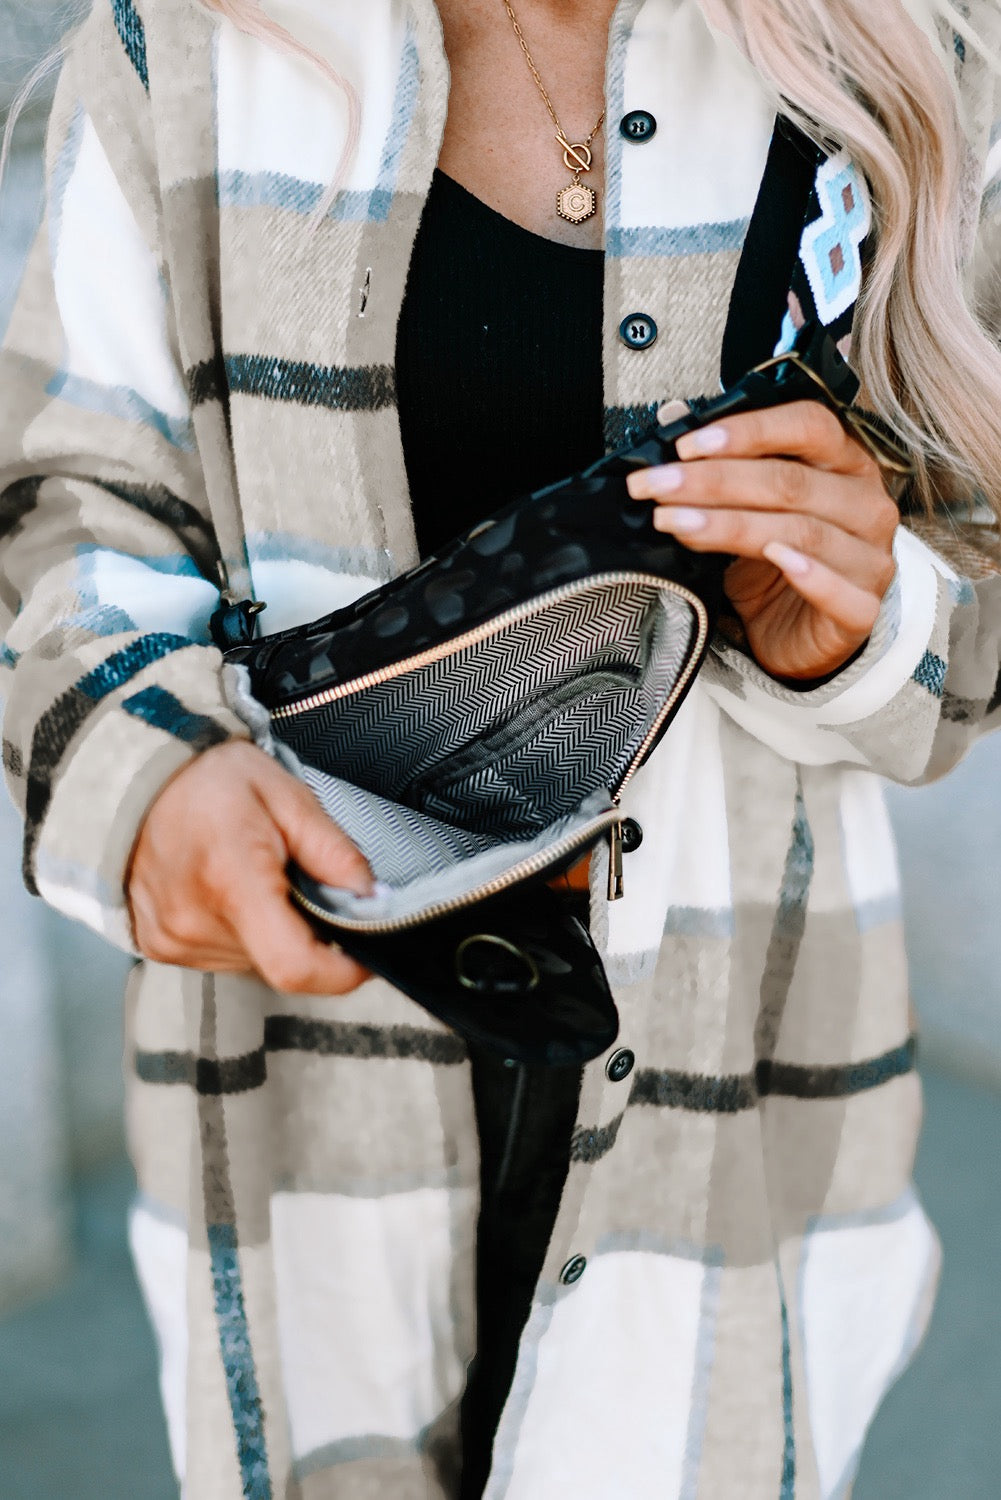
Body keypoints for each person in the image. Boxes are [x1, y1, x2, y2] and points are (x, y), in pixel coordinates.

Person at [2, 0, 1001, 1494]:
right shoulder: (176, 55)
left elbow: (972, 578)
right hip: (308, 1082)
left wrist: (864, 624)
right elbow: (70, 511)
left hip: (738, 1083)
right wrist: (152, 786)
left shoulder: (909, 58)